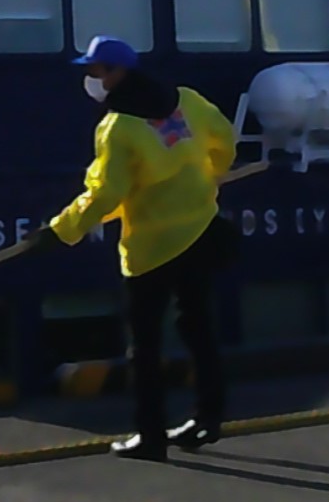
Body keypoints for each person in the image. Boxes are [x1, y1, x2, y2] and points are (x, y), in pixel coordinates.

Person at [49, 35, 236, 460]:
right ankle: (208, 417)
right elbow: (224, 138)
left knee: (145, 345)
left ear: (116, 73)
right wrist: (209, 177)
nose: (90, 79)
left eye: (95, 71)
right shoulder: (186, 100)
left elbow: (106, 193)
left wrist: (60, 231)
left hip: (153, 248)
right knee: (199, 328)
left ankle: (150, 436)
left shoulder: (119, 127)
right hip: (200, 230)